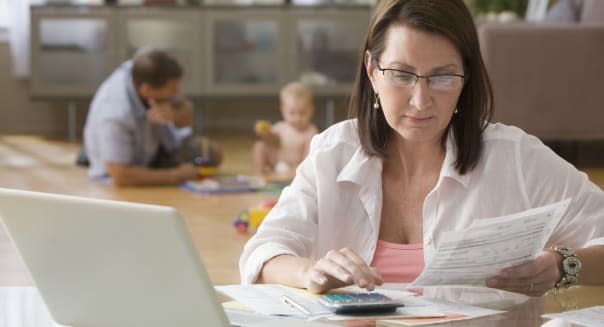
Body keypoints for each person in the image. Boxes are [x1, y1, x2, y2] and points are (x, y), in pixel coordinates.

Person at [239, 0, 604, 297]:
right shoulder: (332, 151)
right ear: (372, 71)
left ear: (466, 79)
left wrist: (562, 265)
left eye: (443, 77)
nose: (420, 101)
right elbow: (262, 252)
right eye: (401, 74)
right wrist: (310, 271)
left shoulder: (516, 159)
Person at [83, 50, 222, 187]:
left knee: (212, 154)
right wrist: (176, 175)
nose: (177, 93)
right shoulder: (114, 115)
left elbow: (187, 115)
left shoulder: (149, 71)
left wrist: (174, 114)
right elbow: (120, 176)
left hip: (161, 145)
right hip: (128, 163)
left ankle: (151, 170)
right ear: (146, 90)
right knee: (122, 166)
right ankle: (101, 152)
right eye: (172, 90)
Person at [252, 81, 319, 175]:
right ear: (283, 110)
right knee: (260, 146)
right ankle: (260, 171)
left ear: (311, 110)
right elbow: (269, 137)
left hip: (297, 167)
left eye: (302, 113)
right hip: (278, 163)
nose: (297, 118)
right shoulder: (281, 127)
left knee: (311, 156)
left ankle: (300, 174)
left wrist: (302, 170)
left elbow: (310, 156)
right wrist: (264, 131)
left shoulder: (310, 131)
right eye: (292, 113)